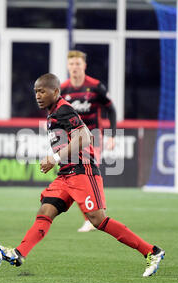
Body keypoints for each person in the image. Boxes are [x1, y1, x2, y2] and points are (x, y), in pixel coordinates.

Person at [0, 73, 165, 277]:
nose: (38, 96)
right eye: (36, 92)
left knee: (98, 220)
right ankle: (19, 253)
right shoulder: (53, 113)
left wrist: (55, 158)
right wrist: (57, 161)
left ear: (56, 92)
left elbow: (85, 137)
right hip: (66, 175)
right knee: (45, 210)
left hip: (83, 171)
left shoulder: (64, 109)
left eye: (42, 91)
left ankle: (151, 252)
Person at [61, 50, 117, 232]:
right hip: (71, 140)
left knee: (87, 175)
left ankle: (95, 215)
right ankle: (89, 217)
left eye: (78, 64)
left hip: (93, 137)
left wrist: (113, 135)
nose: (74, 67)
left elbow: (112, 109)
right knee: (75, 177)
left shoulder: (95, 87)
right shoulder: (63, 89)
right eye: (72, 64)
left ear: (84, 66)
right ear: (68, 66)